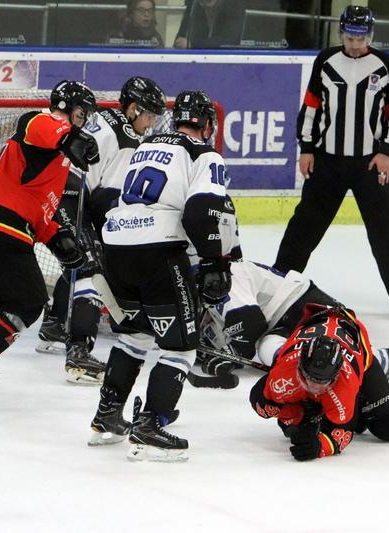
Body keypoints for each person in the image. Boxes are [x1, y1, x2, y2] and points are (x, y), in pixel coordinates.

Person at [0, 80, 100, 411]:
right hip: (3, 220)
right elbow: (35, 124)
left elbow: (39, 205)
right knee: (30, 301)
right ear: (67, 109)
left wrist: (59, 240)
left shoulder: (55, 157)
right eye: (81, 114)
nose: (83, 121)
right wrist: (70, 136)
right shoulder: (46, 123)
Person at [88, 90, 233, 462]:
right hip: (158, 253)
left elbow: (106, 196)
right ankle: (150, 426)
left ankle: (107, 417)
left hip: (117, 248)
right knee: (180, 348)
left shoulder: (146, 146)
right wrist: (215, 263)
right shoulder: (204, 154)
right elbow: (202, 210)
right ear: (207, 123)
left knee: (134, 336)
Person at [273, 5, 389, 320]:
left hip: (370, 163)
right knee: (306, 222)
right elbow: (311, 107)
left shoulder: (385, 64)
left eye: (361, 39)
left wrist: (386, 151)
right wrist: (306, 148)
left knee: (385, 225)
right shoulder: (325, 61)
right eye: (350, 38)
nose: (355, 44)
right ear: (341, 34)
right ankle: (281, 277)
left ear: (370, 36)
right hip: (327, 161)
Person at [35, 77, 168, 385]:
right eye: (149, 114)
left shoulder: (107, 120)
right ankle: (79, 351)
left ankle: (55, 324)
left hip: (54, 191)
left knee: (80, 259)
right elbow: (105, 198)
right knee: (92, 269)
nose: (151, 123)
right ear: (133, 109)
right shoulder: (127, 140)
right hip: (68, 194)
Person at [198, 260, 389, 383]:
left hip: (305, 304)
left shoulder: (226, 275)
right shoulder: (199, 308)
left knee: (350, 359)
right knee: (274, 353)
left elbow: (249, 324)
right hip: (279, 329)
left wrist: (232, 355)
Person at [249, 304, 389, 461]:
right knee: (295, 424)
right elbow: (260, 400)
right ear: (299, 367)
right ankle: (320, 408)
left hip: (358, 357)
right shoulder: (284, 371)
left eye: (322, 383)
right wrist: (296, 416)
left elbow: (342, 433)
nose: (315, 388)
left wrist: (318, 447)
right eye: (309, 379)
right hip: (317, 335)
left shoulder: (345, 382)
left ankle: (361, 402)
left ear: (336, 375)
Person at [173, 0, 246, 49]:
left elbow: (230, 41)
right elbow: (180, 38)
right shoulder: (193, 4)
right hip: (197, 60)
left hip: (226, 60)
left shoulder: (234, 4)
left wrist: (192, 44)